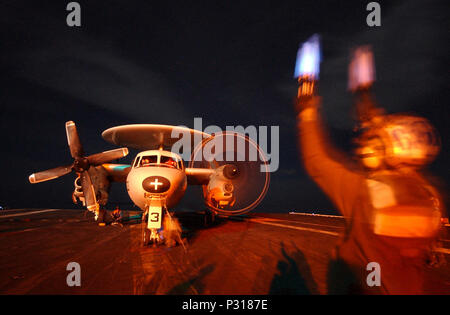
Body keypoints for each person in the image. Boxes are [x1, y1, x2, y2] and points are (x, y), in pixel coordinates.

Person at [294, 44, 443, 294]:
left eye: (375, 144)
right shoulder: (429, 196)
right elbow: (383, 133)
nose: (366, 147)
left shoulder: (365, 193)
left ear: (389, 153)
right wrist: (365, 97)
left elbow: (316, 161)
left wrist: (307, 112)